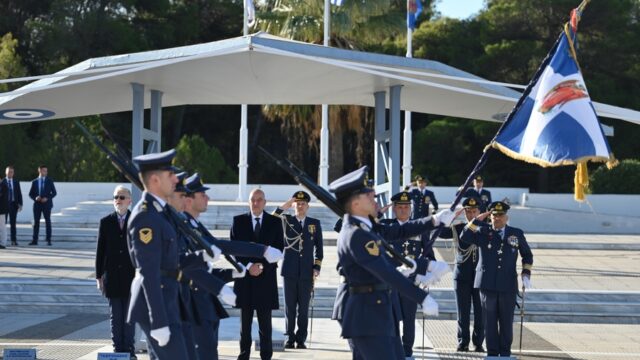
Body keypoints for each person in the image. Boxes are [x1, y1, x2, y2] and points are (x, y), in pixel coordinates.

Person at [329, 166, 444, 360]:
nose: (375, 201)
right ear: (356, 203)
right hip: (367, 316)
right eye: (370, 197)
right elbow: (385, 272)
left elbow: (398, 231)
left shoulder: (367, 227)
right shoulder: (356, 234)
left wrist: (433, 220)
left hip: (377, 312)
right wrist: (421, 297)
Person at [182, 172, 276, 360]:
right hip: (189, 299)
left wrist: (234, 272)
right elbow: (183, 266)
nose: (207, 197)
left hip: (204, 300)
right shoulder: (183, 225)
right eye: (202, 194)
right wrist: (260, 251)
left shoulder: (195, 225)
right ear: (189, 199)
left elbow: (220, 246)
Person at [126, 149, 189, 359]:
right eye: (169, 174)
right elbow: (149, 271)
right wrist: (159, 321)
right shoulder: (146, 216)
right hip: (156, 304)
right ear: (154, 180)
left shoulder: (160, 212)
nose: (175, 178)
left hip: (166, 299)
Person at [460, 201, 533, 357]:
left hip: (507, 285)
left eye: (500, 215)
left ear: (506, 217)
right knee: (490, 323)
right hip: (487, 284)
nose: (497, 218)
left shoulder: (516, 233)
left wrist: (526, 273)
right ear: (490, 216)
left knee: (506, 322)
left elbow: (527, 254)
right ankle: (492, 354)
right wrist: (477, 220)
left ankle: (505, 353)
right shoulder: (482, 231)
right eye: (494, 215)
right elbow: (464, 236)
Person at [379, 191, 440, 359]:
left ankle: (407, 351)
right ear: (394, 209)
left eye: (406, 207)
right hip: (390, 281)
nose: (403, 210)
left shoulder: (419, 227)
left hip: (411, 283)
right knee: (391, 318)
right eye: (400, 207)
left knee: (409, 319)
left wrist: (425, 273)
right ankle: (393, 349)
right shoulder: (385, 226)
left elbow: (429, 256)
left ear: (411, 209)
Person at [231, 188, 284, 360]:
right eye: (253, 200)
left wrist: (261, 267)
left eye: (259, 200)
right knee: (244, 325)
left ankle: (266, 356)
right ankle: (244, 355)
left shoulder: (275, 223)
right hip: (245, 280)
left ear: (265, 202)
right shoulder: (238, 221)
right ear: (249, 202)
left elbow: (279, 250)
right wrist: (249, 266)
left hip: (265, 279)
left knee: (265, 324)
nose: (256, 203)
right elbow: (234, 250)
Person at [273, 190, 323, 349]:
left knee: (303, 308)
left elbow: (319, 249)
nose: (300, 206)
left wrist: (316, 267)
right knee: (289, 307)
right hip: (289, 271)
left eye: (303, 204)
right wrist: (287, 204)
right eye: (297, 203)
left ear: (308, 206)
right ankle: (289, 337)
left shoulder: (314, 224)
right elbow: (273, 217)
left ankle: (301, 338)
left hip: (307, 272)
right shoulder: (286, 220)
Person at [95, 185, 136, 358]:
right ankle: (118, 350)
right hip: (111, 276)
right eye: (115, 197)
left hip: (131, 276)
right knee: (115, 316)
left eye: (121, 197)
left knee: (129, 316)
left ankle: (129, 350)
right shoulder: (106, 222)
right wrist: (98, 276)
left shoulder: (137, 220)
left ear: (129, 200)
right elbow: (100, 251)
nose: (117, 201)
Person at [438, 197, 484, 353]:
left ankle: (478, 343)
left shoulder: (486, 228)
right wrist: (452, 216)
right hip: (461, 274)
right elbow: (439, 232)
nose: (471, 215)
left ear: (479, 212)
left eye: (474, 211)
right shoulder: (458, 228)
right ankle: (462, 342)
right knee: (462, 311)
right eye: (468, 212)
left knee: (480, 312)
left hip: (480, 276)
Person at [28, 165, 57, 246]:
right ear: (40, 171)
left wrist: (47, 198)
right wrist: (35, 198)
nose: (46, 172)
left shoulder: (50, 181)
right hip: (37, 205)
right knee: (36, 223)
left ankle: (48, 240)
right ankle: (34, 240)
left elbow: (54, 193)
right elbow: (30, 194)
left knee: (48, 222)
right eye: (44, 170)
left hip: (47, 205)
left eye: (46, 171)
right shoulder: (34, 182)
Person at [3, 166, 23, 246]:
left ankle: (13, 240)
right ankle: (2, 240)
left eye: (12, 172)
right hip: (4, 206)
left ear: (13, 173)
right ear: (5, 172)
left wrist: (20, 204)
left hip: (13, 205)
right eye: (9, 171)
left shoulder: (16, 182)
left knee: (13, 224)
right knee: (2, 224)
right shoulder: (2, 182)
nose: (10, 173)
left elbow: (19, 194)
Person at [0, 174, 8, 249]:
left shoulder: (3, 185)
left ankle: (3, 243)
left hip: (1, 210)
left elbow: (1, 196)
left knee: (2, 227)